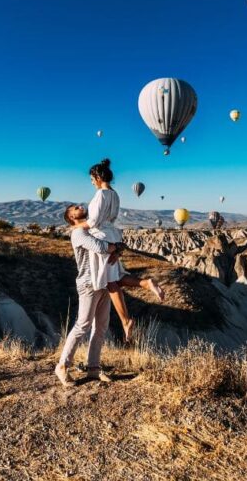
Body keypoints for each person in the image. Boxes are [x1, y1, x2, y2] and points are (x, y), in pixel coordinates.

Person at [84, 159, 164, 342]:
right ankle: (145, 284)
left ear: (97, 177)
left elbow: (93, 221)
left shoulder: (100, 195)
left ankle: (125, 320)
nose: (91, 182)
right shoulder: (114, 194)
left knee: (110, 283)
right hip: (113, 235)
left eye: (91, 179)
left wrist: (78, 227)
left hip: (101, 238)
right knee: (116, 279)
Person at [55, 204, 122, 386]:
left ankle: (93, 368)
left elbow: (115, 242)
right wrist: (116, 247)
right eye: (74, 208)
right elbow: (101, 247)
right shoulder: (78, 233)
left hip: (104, 281)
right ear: (71, 217)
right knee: (83, 325)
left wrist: (117, 246)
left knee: (101, 326)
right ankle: (62, 365)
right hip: (88, 284)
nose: (79, 206)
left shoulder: (95, 229)